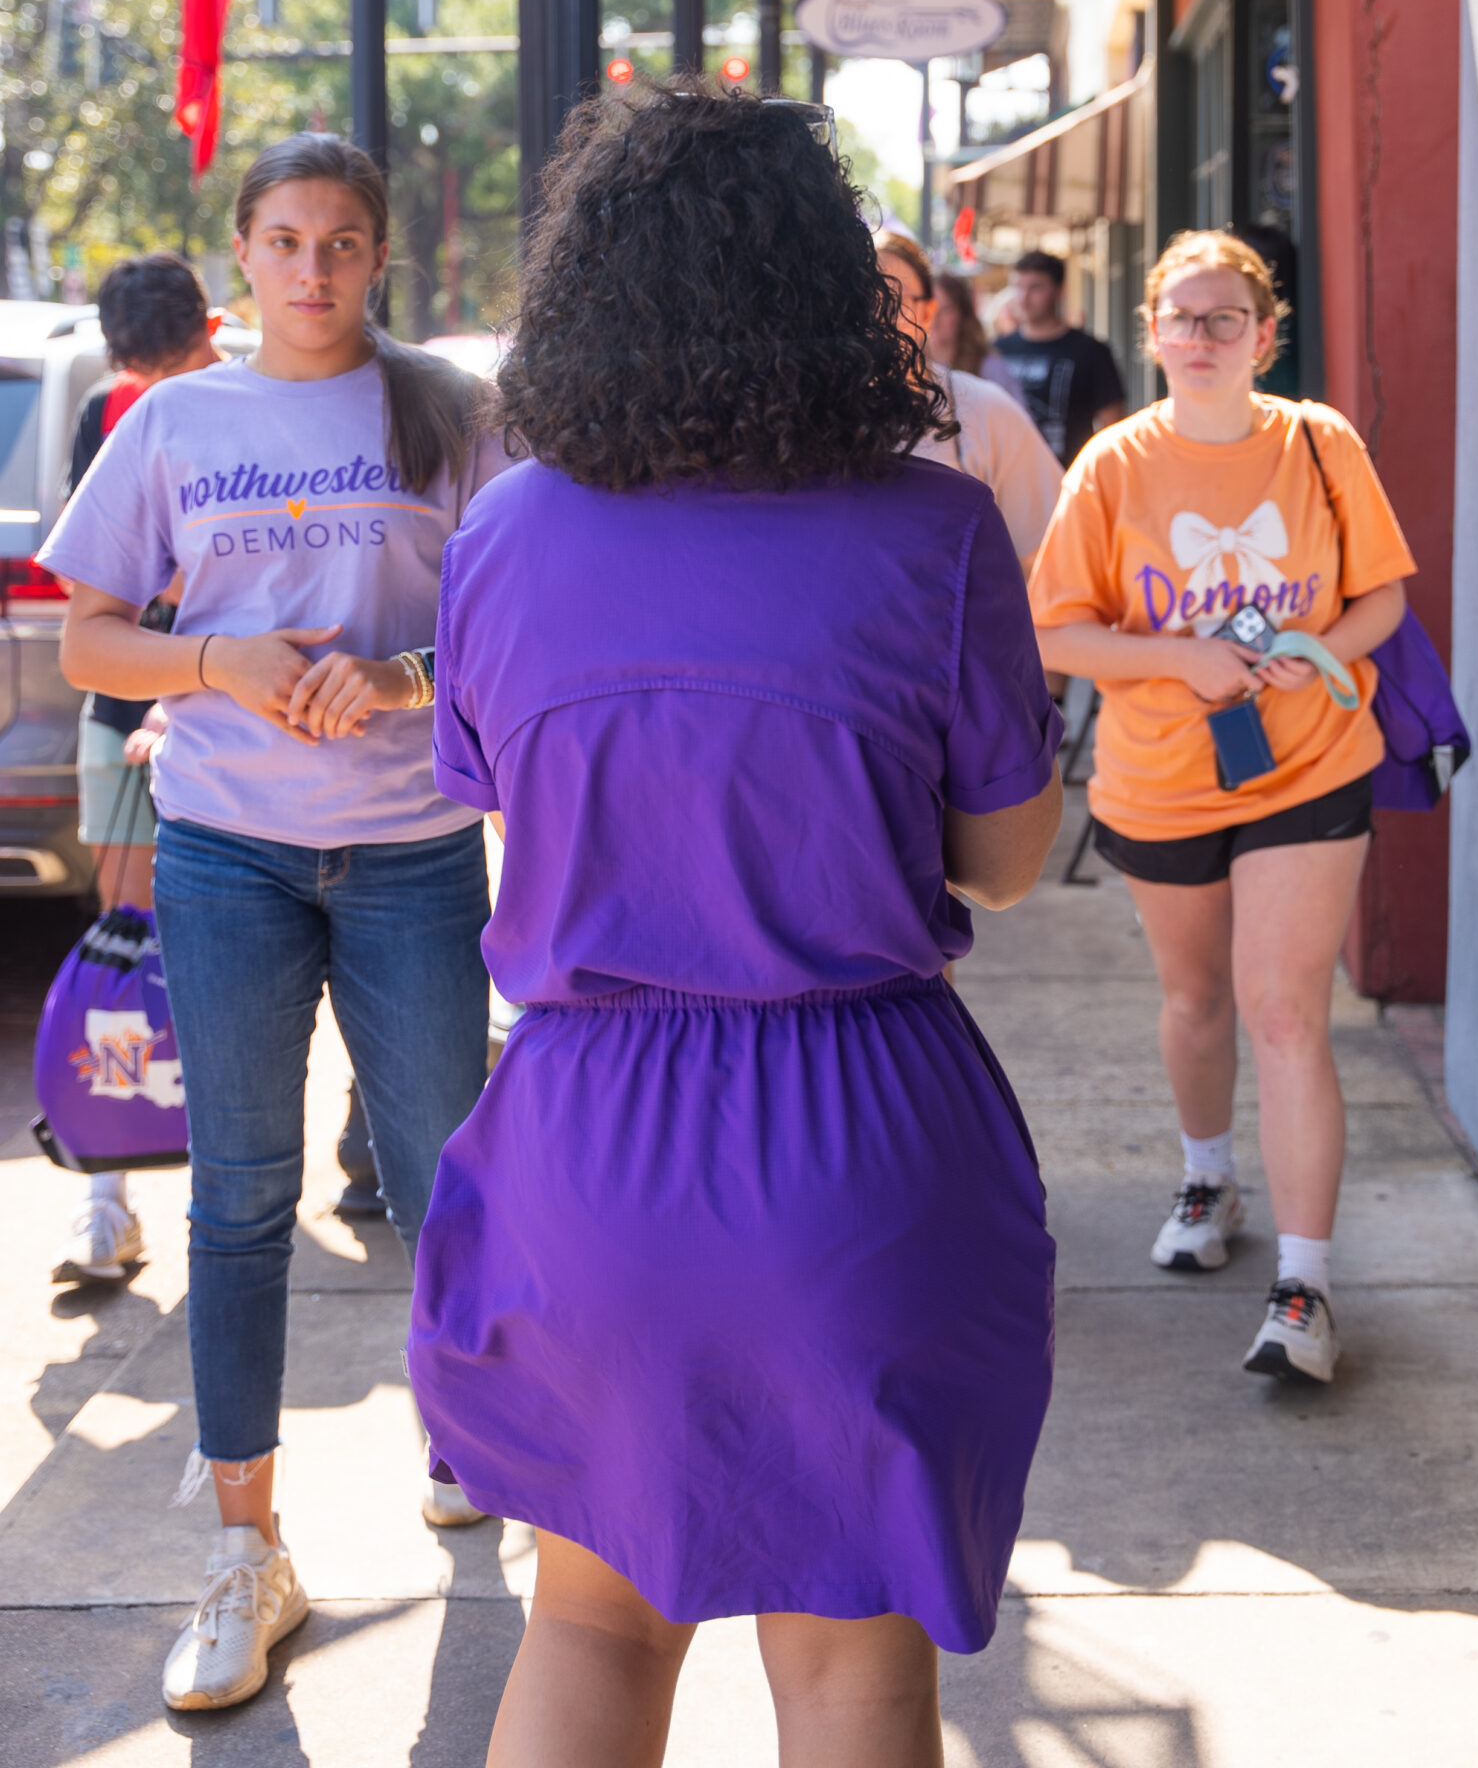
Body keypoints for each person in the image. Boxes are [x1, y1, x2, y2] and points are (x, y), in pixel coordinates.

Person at [408, 85, 1062, 1768]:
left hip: (589, 1136)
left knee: (589, 1628)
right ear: (827, 291)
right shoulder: (936, 534)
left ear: (587, 296)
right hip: (859, 1143)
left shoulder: (502, 537)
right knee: (854, 1674)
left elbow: (491, 793)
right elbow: (1005, 858)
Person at [42, 134, 509, 1715]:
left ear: (380, 257)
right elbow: (90, 644)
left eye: (345, 242)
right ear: (240, 251)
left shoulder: (450, 410)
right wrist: (214, 665)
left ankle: (469, 1431)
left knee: (450, 1163)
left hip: (415, 852)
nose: (315, 268)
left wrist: (402, 679)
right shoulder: (178, 418)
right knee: (240, 1198)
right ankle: (247, 1551)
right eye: (288, 239)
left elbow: (518, 629)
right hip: (227, 854)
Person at [1026, 229, 1414, 1386]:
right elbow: (1054, 628)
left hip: (1311, 761)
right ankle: (1209, 1173)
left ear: (1264, 334)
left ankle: (1306, 1287)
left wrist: (1323, 648)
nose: (1200, 338)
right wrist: (1175, 660)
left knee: (1284, 1007)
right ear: (1151, 332)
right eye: (1181, 319)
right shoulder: (1113, 466)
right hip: (1162, 775)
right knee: (1196, 998)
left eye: (1224, 319)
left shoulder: (1318, 441)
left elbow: (1383, 595)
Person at [50, 254, 223, 1291]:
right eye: (139, 376)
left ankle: (228, 1191)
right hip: (121, 707)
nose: (156, 396)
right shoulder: (110, 415)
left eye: (178, 367)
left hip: (232, 719)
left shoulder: (261, 405)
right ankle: (106, 1199)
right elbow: (100, 580)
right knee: (126, 938)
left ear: (216, 324)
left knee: (224, 962)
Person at [877, 232, 1063, 568]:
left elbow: (1052, 547)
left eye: (894, 299)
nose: (876, 317)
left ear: (927, 312)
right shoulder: (792, 421)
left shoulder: (983, 408)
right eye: (858, 299)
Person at [993, 249, 1125, 466]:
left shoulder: (1091, 351)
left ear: (1060, 291)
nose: (1024, 298)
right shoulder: (997, 351)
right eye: (1018, 287)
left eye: (1036, 287)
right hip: (1005, 481)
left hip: (1070, 479)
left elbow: (1114, 426)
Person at [928, 266, 1025, 403]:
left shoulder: (991, 368)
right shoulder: (910, 367)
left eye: (945, 309)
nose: (934, 319)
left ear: (962, 313)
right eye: (930, 308)